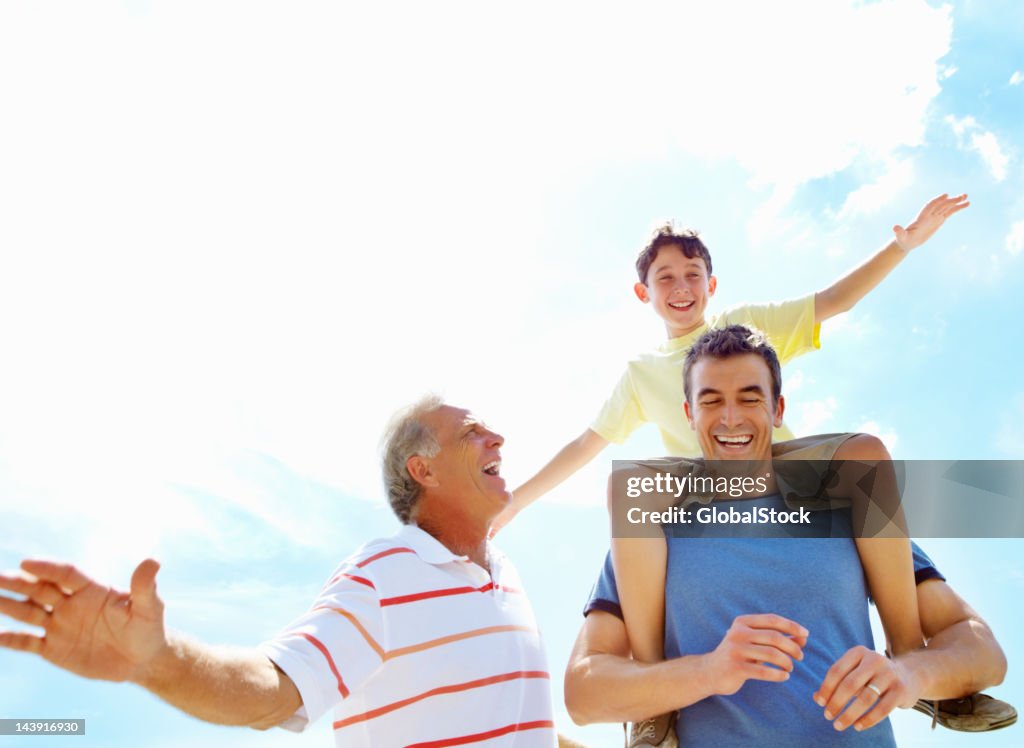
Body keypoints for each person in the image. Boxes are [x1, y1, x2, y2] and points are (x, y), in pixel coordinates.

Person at [0, 396, 560, 747]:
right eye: (472, 432)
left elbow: (509, 718)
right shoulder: (383, 573)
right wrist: (158, 661)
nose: (497, 439)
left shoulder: (506, 575)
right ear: (424, 470)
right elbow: (277, 690)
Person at [563, 327, 1010, 746]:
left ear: (778, 410)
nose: (731, 418)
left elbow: (984, 653)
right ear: (689, 413)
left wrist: (912, 674)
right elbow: (582, 695)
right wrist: (706, 672)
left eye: (750, 398)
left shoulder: (855, 511)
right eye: (712, 401)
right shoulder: (646, 538)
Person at [492, 193, 970, 531]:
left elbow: (834, 301)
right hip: (717, 498)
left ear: (711, 285)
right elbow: (585, 444)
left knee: (865, 462)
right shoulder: (642, 374)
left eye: (692, 275)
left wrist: (902, 245)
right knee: (631, 491)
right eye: (666, 278)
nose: (681, 288)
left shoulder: (743, 325)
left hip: (785, 482)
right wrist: (516, 502)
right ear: (644, 292)